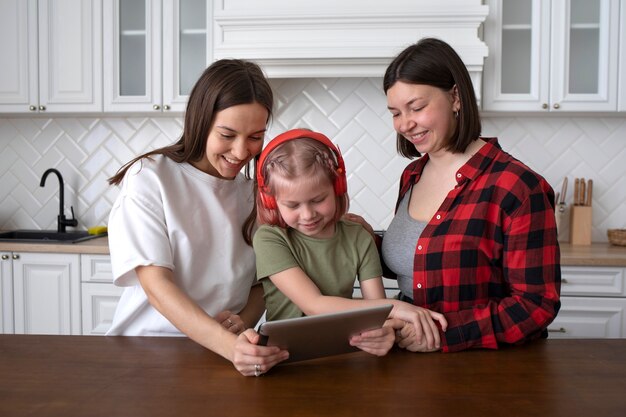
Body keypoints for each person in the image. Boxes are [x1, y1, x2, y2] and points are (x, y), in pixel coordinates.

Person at [348, 38, 561, 353]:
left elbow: (536, 305)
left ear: (456, 97)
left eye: (417, 107)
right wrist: (365, 239)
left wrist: (440, 334)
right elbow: (423, 262)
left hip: (483, 366)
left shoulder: (516, 187)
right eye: (395, 112)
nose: (405, 123)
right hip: (408, 352)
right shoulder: (413, 175)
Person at [105, 59, 289, 376]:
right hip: (147, 352)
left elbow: (264, 283)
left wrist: (244, 319)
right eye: (227, 134)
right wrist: (231, 347)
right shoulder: (151, 178)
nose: (242, 151)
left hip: (222, 355)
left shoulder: (253, 193)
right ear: (201, 121)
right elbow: (157, 288)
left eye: (255, 136)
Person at [253, 128, 448, 356]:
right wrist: (398, 307)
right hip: (281, 356)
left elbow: (376, 310)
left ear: (338, 188)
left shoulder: (358, 236)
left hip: (342, 354)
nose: (307, 215)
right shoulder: (270, 238)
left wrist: (382, 332)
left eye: (318, 200)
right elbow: (313, 304)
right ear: (271, 202)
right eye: (292, 205)